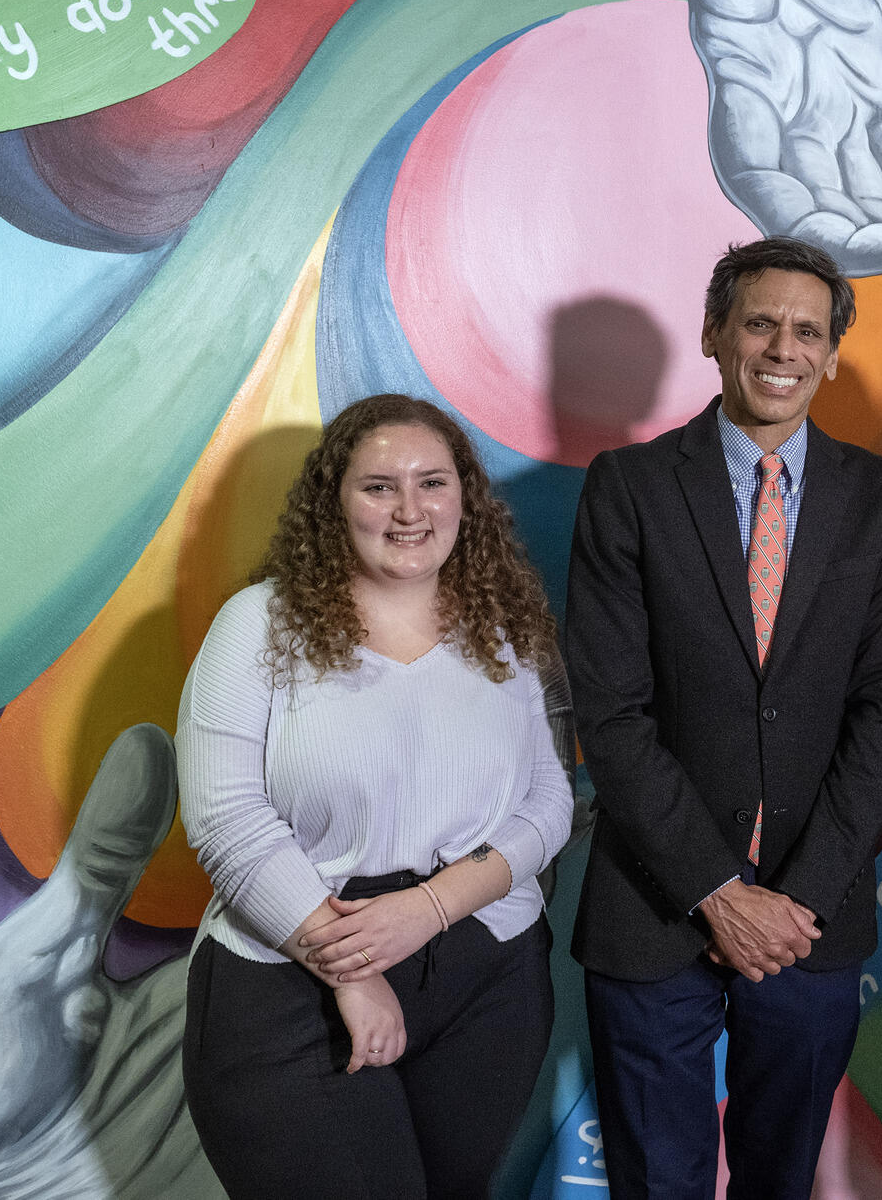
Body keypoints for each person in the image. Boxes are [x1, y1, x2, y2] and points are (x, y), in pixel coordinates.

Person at [565, 236, 882, 1200]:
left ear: (834, 354)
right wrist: (719, 893)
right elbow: (614, 713)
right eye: (761, 322)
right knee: (660, 1182)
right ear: (716, 336)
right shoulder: (629, 490)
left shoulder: (880, 499)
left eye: (809, 330)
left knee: (782, 1176)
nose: (784, 347)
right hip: (655, 912)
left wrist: (796, 899)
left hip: (814, 918)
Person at [177, 393, 576, 1200]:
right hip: (292, 970)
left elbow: (548, 801)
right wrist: (351, 970)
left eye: (432, 482)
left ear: (466, 496)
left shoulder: (506, 630)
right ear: (335, 502)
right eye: (378, 486)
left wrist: (429, 909)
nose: (408, 510)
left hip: (485, 974)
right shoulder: (256, 626)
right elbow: (225, 821)